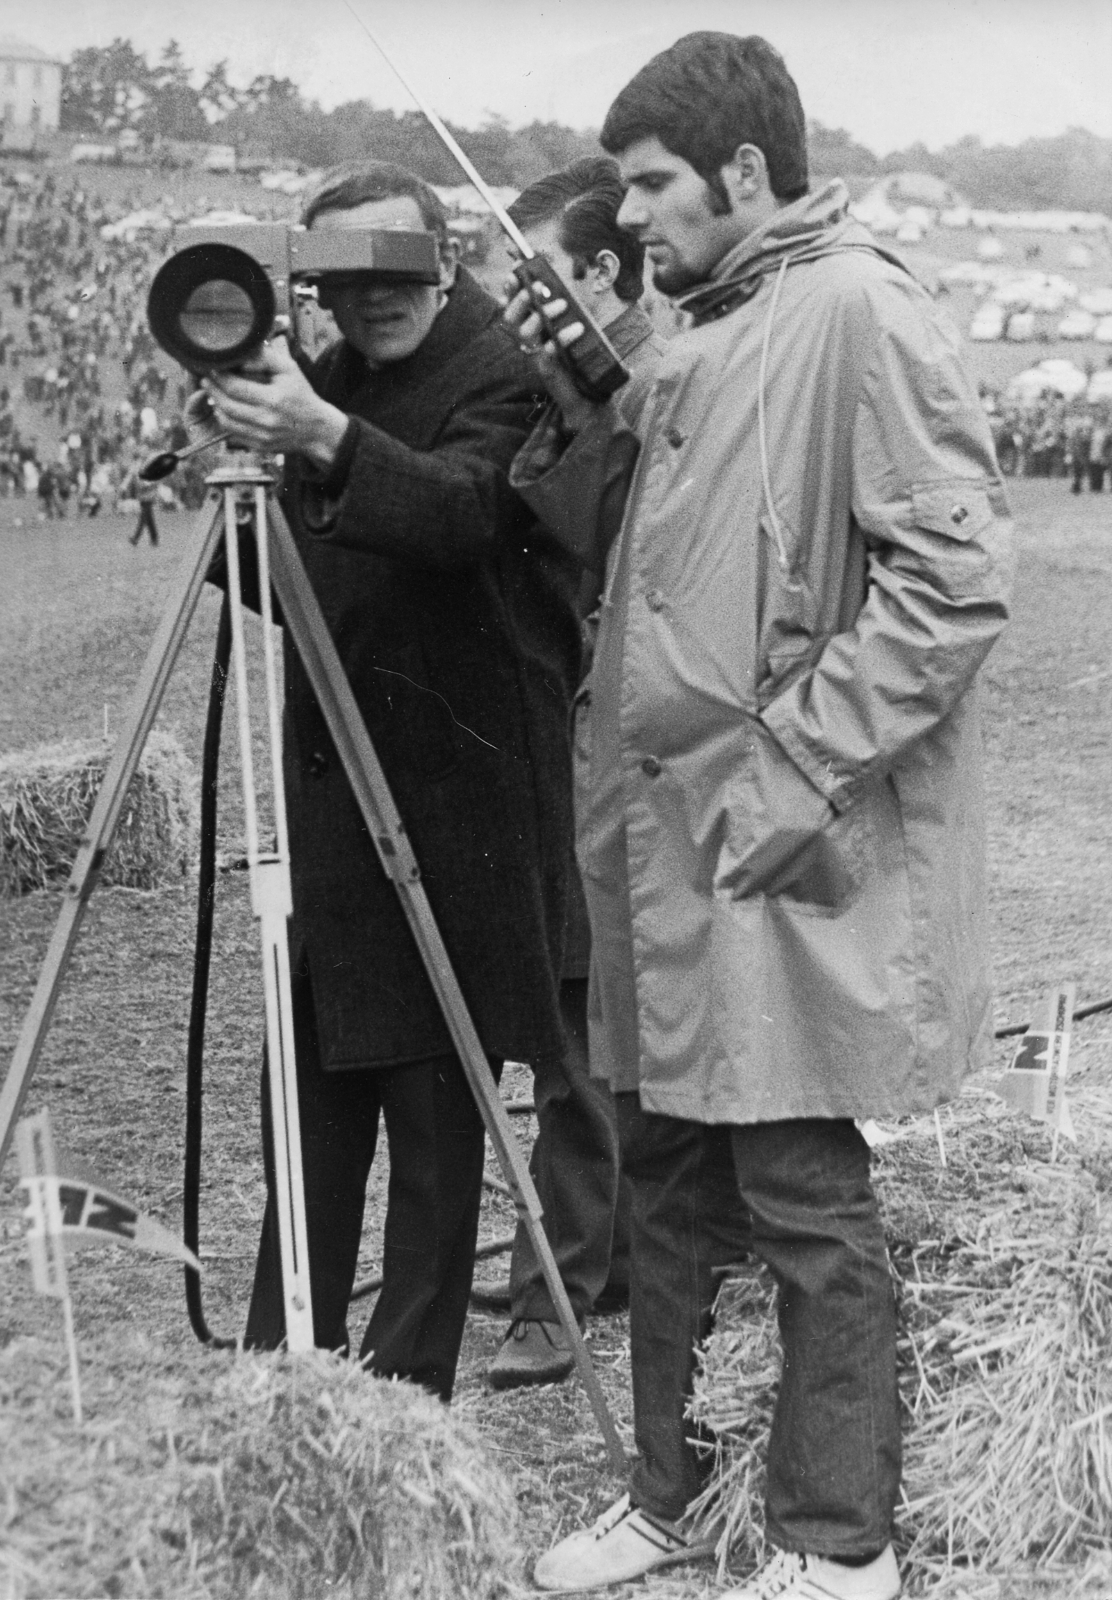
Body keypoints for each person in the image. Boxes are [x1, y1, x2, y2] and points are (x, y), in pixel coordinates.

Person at [507, 32, 1013, 1600]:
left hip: (784, 848)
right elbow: (667, 521)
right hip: (669, 857)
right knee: (662, 1179)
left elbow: (951, 584)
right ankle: (671, 1498)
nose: (631, 221)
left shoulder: (857, 305)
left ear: (740, 171)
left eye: (651, 188)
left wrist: (793, 765)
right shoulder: (715, 319)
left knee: (799, 1192)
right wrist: (597, 372)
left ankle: (832, 1542)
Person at [200, 160, 581, 1403]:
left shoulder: (507, 372)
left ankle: (404, 1395)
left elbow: (468, 515)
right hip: (337, 795)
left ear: (446, 251)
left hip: (453, 807)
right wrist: (235, 481)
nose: (369, 307)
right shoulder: (340, 379)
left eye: (391, 276)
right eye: (339, 284)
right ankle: (280, 1369)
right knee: (311, 1100)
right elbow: (303, 585)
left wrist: (319, 436)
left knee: (432, 1114)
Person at [487, 156, 667, 1390]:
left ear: (600, 272)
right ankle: (580, 1255)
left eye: (537, 271)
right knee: (572, 1004)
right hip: (563, 724)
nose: (517, 296)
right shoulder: (578, 374)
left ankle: (574, 1270)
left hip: (632, 738)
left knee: (589, 1015)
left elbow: (603, 534)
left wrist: (570, 395)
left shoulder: (659, 374)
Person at [128, 470, 159, 547]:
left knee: (143, 519)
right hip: (143, 499)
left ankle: (135, 538)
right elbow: (139, 485)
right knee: (149, 520)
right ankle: (154, 538)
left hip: (148, 499)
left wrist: (147, 485)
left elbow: (153, 484)